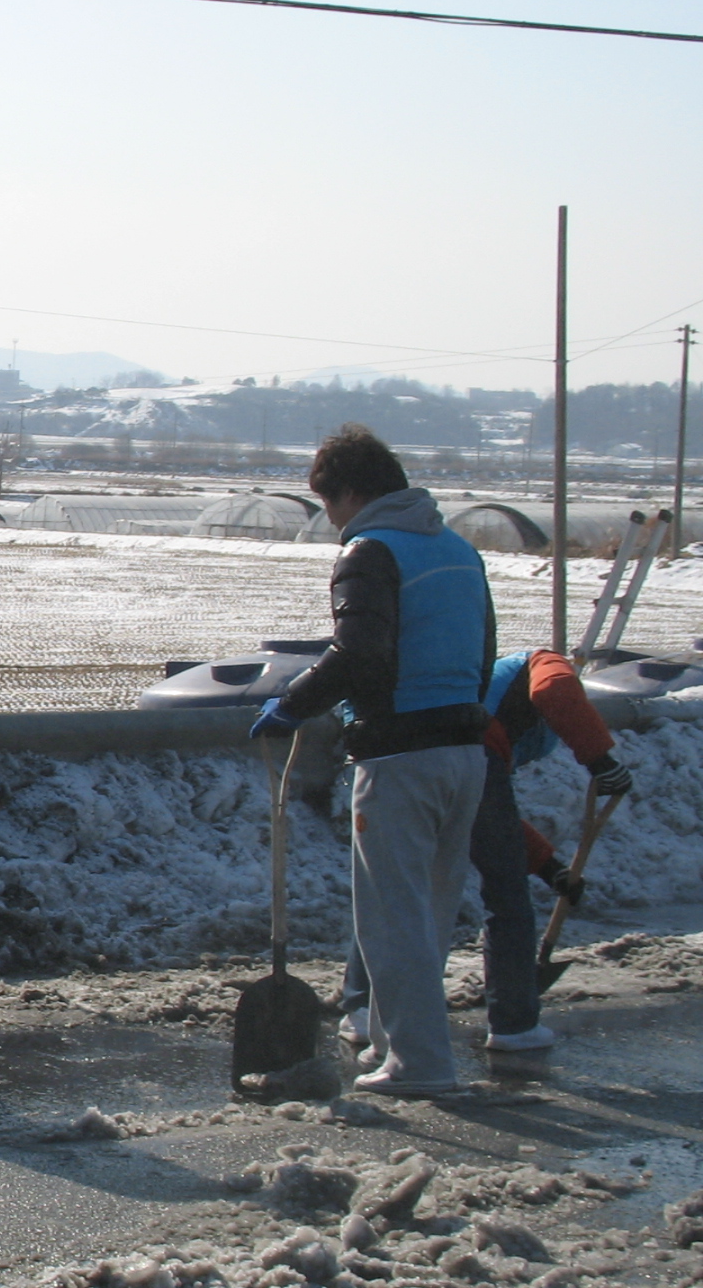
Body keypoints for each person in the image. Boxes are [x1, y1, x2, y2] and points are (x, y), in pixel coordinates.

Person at [253, 424, 493, 1098]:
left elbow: (359, 652)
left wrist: (294, 704)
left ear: (351, 493)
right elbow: (483, 653)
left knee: (391, 916)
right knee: (431, 913)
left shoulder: (370, 551)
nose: (331, 520)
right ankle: (393, 1045)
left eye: (328, 504)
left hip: (399, 754)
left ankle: (420, 1065)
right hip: (464, 749)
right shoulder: (459, 551)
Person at [334, 646, 630, 1056]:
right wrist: (601, 759)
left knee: (390, 885)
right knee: (506, 896)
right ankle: (514, 1023)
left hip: (400, 755)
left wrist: (549, 867)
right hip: (467, 749)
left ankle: (362, 1009)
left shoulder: (476, 686)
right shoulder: (540, 661)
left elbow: (490, 819)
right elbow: (556, 689)